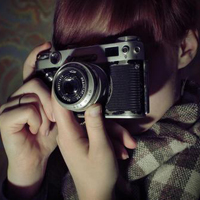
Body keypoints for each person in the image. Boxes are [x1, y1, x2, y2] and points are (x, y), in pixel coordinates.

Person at [0, 0, 200, 199]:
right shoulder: (56, 138)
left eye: (121, 54)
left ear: (184, 47)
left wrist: (96, 194)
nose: (96, 89)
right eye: (81, 63)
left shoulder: (192, 160)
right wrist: (26, 175)